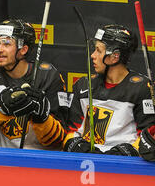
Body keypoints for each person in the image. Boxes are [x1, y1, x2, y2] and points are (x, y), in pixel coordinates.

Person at [0, 19, 68, 149]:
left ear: (23, 49)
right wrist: (0, 107)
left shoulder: (49, 76)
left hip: (36, 159)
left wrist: (43, 119)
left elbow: (58, 139)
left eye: (6, 44)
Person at [63, 24, 155, 160]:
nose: (93, 56)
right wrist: (75, 145)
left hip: (125, 167)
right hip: (84, 162)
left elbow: (148, 137)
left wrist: (126, 152)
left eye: (99, 51)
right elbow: (70, 132)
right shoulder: (83, 85)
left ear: (114, 57)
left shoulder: (142, 88)